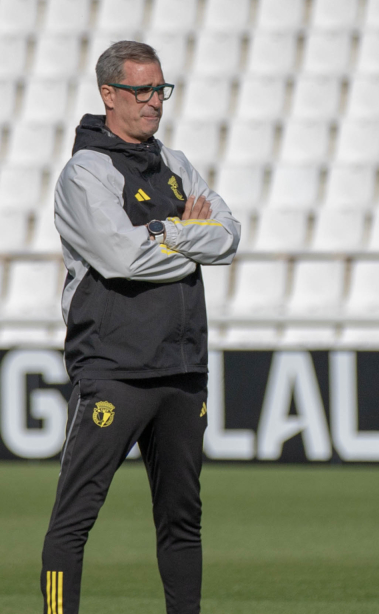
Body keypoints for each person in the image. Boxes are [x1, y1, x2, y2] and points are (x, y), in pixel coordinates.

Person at [40, 40, 240, 614]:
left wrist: (164, 233)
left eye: (161, 89)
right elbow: (122, 259)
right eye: (142, 90)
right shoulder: (85, 173)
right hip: (116, 368)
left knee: (183, 520)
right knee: (74, 519)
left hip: (182, 368)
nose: (155, 101)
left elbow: (228, 237)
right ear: (109, 94)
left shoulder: (176, 163)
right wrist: (185, 233)